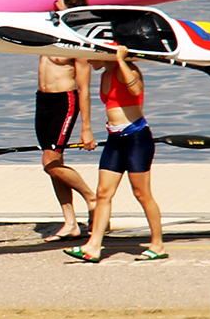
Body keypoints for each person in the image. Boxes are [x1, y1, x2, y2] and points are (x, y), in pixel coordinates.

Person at [65, 43, 166, 262]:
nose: (89, 62)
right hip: (114, 140)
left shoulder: (127, 69)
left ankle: (157, 245)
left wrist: (121, 59)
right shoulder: (105, 75)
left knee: (142, 194)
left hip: (136, 139)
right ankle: (93, 246)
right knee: (103, 193)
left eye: (92, 57)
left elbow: (136, 90)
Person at [36, 0, 96, 240]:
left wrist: (86, 128)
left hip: (65, 101)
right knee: (54, 164)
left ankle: (93, 199)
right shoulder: (47, 30)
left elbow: (84, 89)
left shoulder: (77, 40)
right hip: (43, 101)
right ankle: (70, 222)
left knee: (49, 164)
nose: (52, 4)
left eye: (57, 2)